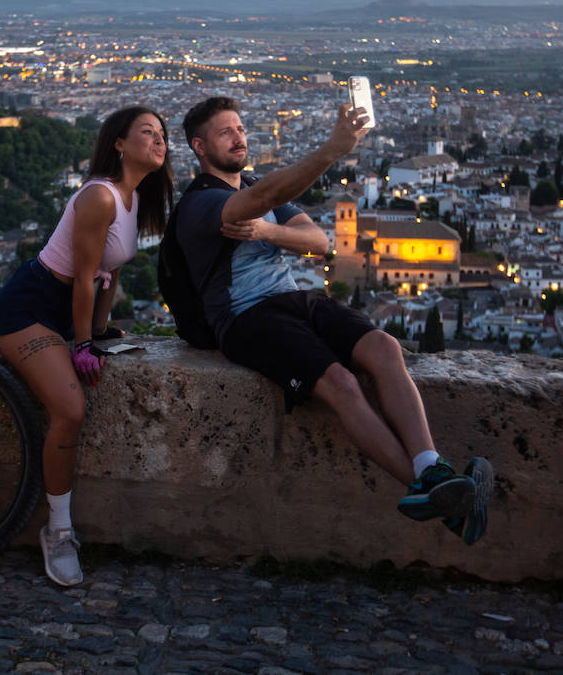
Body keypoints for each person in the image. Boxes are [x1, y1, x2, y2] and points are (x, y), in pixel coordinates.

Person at [166, 96, 492, 543]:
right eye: (226, 132)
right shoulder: (200, 204)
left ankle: (431, 470)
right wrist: (332, 150)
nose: (239, 137)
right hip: (245, 317)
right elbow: (266, 197)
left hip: (293, 299)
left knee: (384, 347)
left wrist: (268, 231)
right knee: (341, 384)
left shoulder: (256, 188)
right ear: (199, 147)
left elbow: (318, 241)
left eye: (240, 128)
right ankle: (430, 490)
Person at [0, 107, 173, 586]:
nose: (159, 141)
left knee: (73, 404)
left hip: (69, 310)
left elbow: (113, 272)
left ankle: (60, 527)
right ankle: (60, 529)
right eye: (147, 133)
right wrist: (84, 342)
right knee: (70, 410)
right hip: (32, 306)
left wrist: (101, 330)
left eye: (163, 135)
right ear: (118, 144)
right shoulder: (100, 197)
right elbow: (85, 278)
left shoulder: (133, 201)